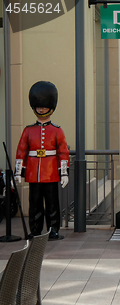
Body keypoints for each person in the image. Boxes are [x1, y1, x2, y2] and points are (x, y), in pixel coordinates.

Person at [15, 81, 69, 240]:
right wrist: (19, 171)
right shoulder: (28, 130)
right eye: (39, 106)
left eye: (44, 106)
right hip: (33, 174)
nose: (41, 109)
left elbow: (63, 153)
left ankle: (53, 230)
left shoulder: (57, 131)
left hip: (51, 173)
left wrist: (64, 173)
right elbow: (21, 151)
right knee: (35, 204)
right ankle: (36, 230)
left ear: (50, 107)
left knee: (52, 204)